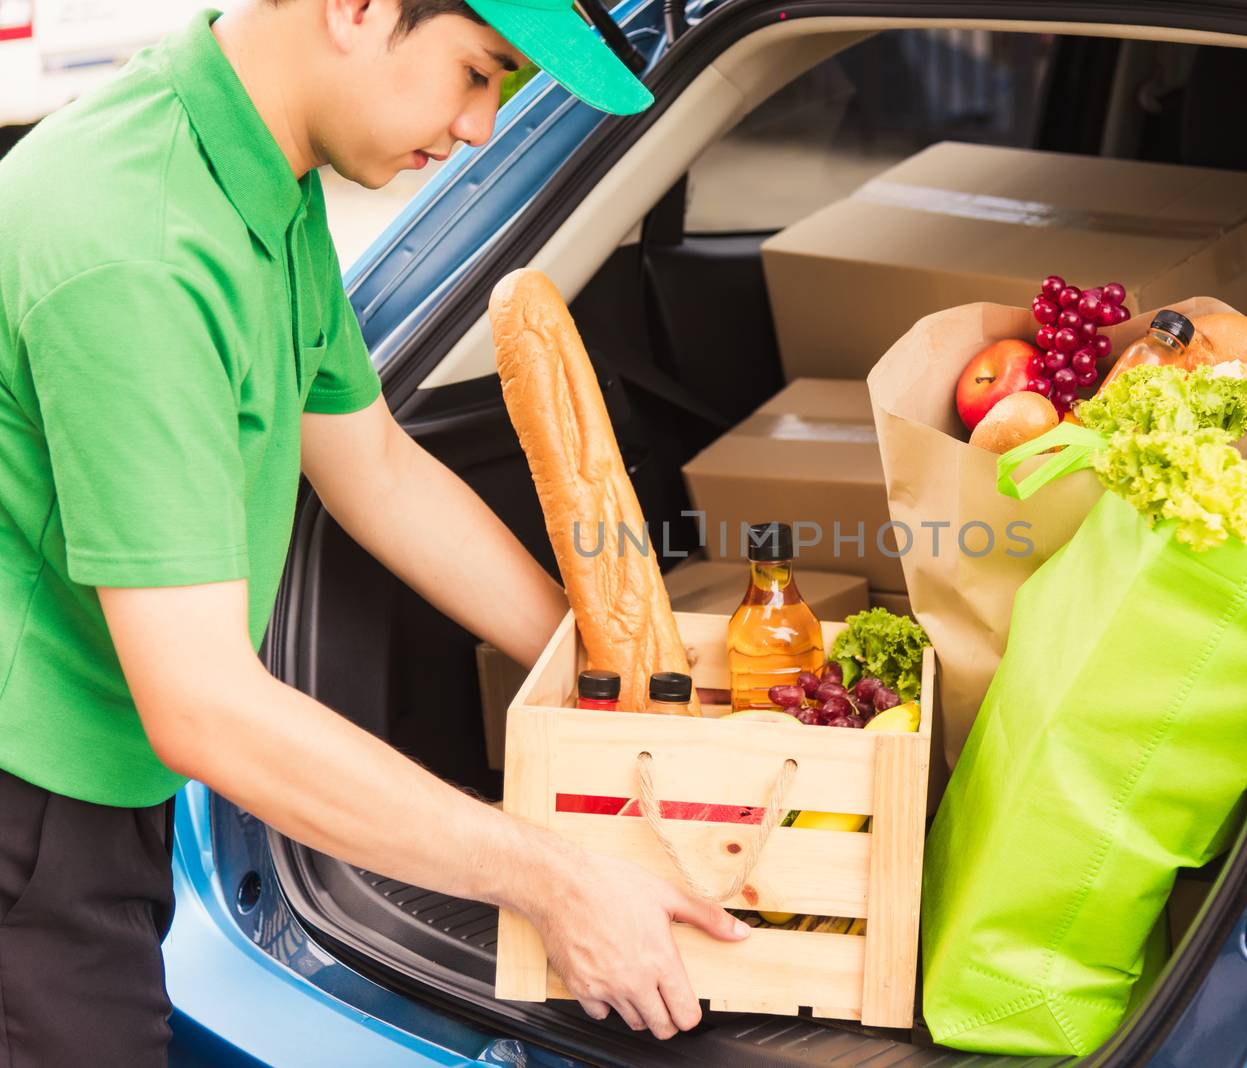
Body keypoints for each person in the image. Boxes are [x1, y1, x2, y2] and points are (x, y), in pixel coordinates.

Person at [0, 2, 743, 1062]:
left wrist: (608, 671)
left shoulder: (260, 171)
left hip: (102, 785)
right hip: (30, 812)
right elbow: (204, 708)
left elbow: (378, 469)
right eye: (479, 73)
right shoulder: (140, 246)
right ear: (355, 9)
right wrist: (553, 878)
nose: (484, 126)